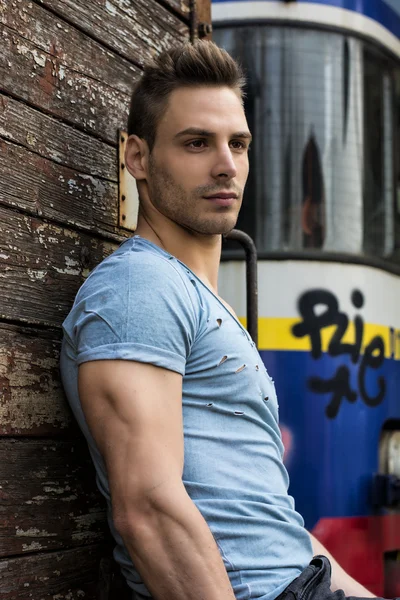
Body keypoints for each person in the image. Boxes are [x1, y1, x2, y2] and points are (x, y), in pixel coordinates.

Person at [60, 41, 381, 600]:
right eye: (196, 143)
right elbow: (149, 511)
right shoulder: (140, 288)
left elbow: (270, 523)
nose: (226, 164)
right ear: (137, 157)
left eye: (238, 143)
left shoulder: (203, 301)